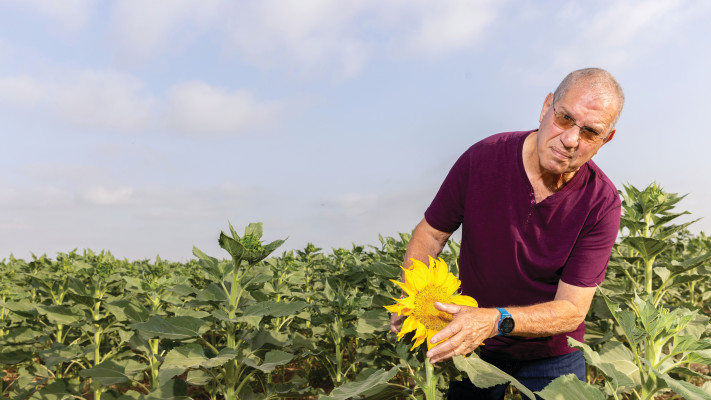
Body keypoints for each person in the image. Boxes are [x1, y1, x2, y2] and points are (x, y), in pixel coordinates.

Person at [389, 68, 624, 399]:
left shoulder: (601, 202)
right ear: (546, 108)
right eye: (564, 118)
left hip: (552, 354)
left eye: (589, 132)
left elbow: (572, 308)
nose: (570, 139)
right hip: (470, 343)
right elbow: (431, 233)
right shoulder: (483, 158)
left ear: (606, 139)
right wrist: (414, 299)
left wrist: (494, 319)